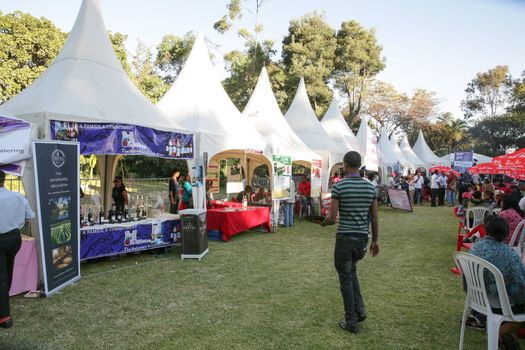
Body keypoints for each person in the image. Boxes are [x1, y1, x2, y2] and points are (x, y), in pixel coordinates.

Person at [320, 151, 379, 334]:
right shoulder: (370, 187)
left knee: (345, 279)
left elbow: (331, 218)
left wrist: (321, 223)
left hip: (345, 239)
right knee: (351, 272)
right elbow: (374, 217)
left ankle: (351, 320)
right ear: (359, 165)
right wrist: (375, 241)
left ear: (345, 166)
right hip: (362, 239)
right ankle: (359, 311)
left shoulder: (339, 187)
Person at [467, 216, 525, 348]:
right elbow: (519, 286)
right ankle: (499, 333)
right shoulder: (508, 255)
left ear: (486, 230)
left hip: (478, 299)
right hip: (499, 303)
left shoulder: (475, 248)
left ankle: (508, 339)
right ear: (506, 233)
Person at [0, 170, 35, 329]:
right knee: (7, 271)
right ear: (4, 179)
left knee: (2, 276)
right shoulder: (18, 197)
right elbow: (30, 216)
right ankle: (3, 303)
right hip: (14, 239)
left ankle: (4, 316)